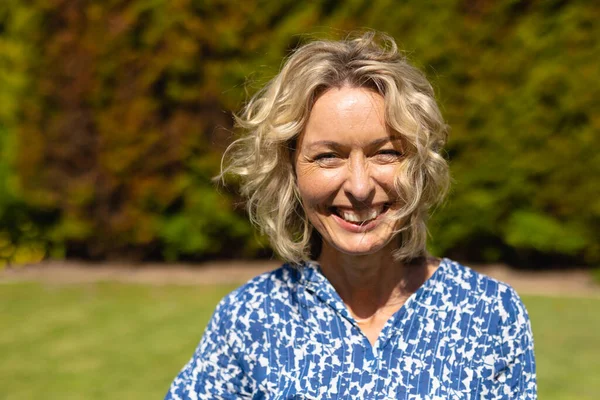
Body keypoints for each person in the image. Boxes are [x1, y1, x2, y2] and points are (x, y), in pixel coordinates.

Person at [165, 31, 536, 399]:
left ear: (420, 165)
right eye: (328, 156)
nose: (359, 187)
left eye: (386, 153)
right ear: (290, 170)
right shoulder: (250, 319)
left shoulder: (489, 314)